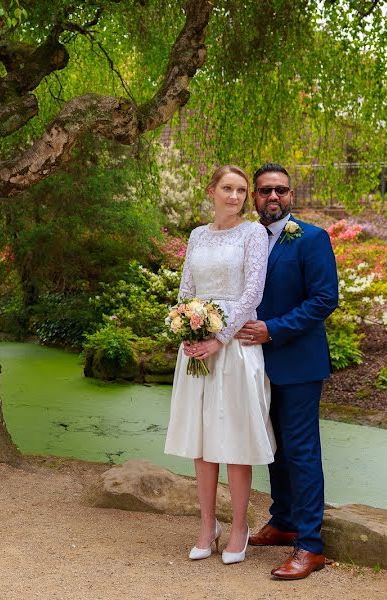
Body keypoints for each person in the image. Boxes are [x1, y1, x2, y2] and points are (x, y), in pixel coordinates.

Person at [164, 165, 274, 565]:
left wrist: (219, 338)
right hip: (197, 345)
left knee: (235, 437)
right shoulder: (196, 235)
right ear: (211, 191)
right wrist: (188, 331)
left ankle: (240, 526)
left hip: (235, 345)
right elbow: (186, 289)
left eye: (242, 190)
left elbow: (252, 293)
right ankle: (207, 525)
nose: (235, 196)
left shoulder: (253, 233)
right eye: (227, 188)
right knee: (202, 437)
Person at [237, 163, 339, 580]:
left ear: (291, 195)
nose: (272, 197)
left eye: (280, 190)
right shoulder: (249, 239)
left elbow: (323, 300)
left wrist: (272, 330)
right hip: (255, 364)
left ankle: (310, 546)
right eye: (264, 191)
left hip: (297, 362)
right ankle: (283, 520)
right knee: (273, 448)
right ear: (255, 198)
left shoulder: (311, 238)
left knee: (301, 451)